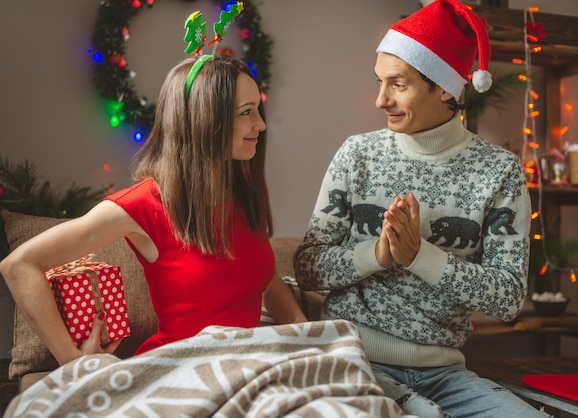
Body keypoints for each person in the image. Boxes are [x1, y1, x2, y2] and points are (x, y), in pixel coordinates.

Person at [294, 0, 545, 417]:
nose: (380, 100)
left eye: (398, 84)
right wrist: (376, 255)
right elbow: (307, 267)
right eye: (380, 82)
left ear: (444, 87)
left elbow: (509, 299)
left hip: (446, 375)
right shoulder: (358, 155)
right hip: (355, 361)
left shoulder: (498, 171)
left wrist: (420, 257)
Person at [0, 53, 307, 367]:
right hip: (179, 370)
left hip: (249, 364)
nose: (261, 124)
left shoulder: (247, 190)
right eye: (247, 112)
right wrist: (71, 359)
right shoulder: (143, 204)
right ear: (205, 119)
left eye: (257, 109)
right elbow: (20, 266)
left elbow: (262, 276)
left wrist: (300, 327)